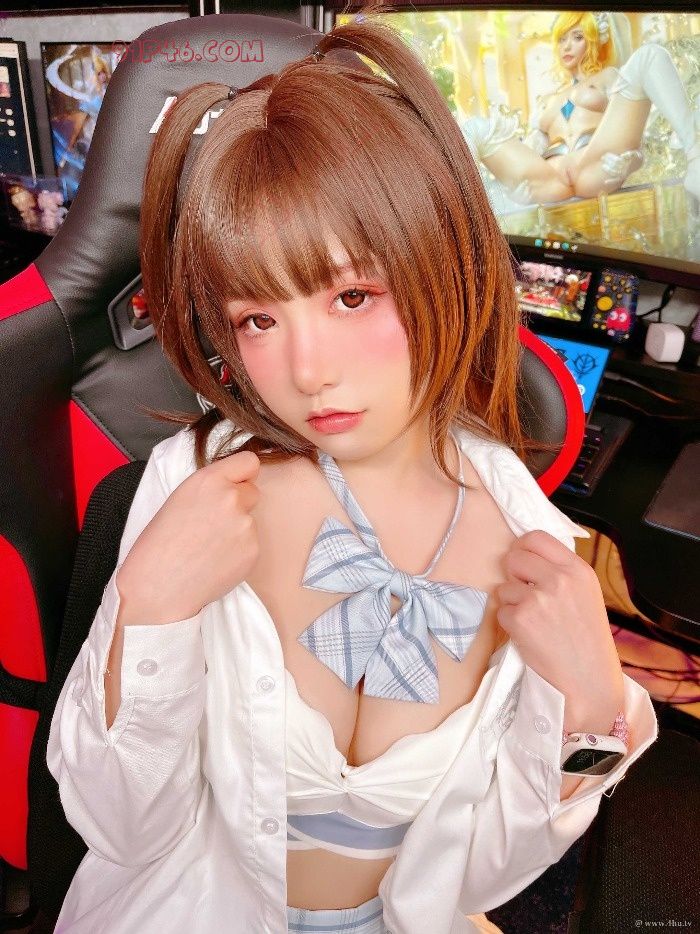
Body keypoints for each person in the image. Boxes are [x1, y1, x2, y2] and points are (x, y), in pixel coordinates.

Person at [46, 5, 658, 932]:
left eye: (352, 295)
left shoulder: (528, 542)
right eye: (259, 319)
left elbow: (487, 873)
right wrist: (151, 608)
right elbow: (121, 827)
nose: (307, 371)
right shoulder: (192, 490)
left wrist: (590, 708)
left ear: (444, 265)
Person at [462, 11, 700, 205]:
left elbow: (635, 138)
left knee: (649, 56)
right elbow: (531, 151)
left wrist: (631, 164)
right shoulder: (547, 100)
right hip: (549, 182)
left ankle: (696, 157)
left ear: (593, 40)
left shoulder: (608, 77)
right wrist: (511, 190)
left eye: (577, 37)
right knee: (474, 128)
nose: (567, 46)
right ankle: (462, 206)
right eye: (562, 39)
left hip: (595, 168)